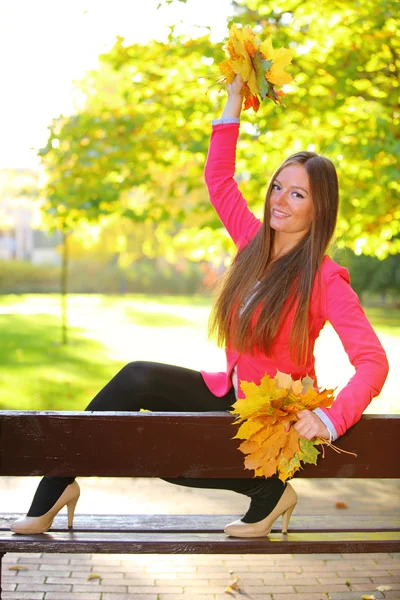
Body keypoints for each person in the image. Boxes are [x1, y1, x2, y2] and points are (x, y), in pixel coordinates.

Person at [10, 74, 389, 538]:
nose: (280, 200)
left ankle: (269, 494)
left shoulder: (326, 280)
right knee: (137, 378)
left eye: (298, 193)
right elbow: (218, 179)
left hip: (264, 417)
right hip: (227, 393)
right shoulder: (253, 242)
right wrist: (233, 101)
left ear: (319, 208)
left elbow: (373, 361)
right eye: (277, 187)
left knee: (170, 456)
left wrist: (331, 419)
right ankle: (57, 484)